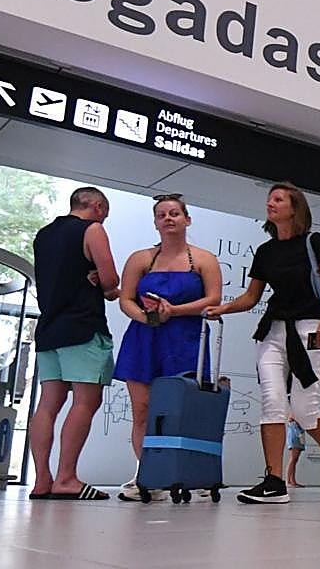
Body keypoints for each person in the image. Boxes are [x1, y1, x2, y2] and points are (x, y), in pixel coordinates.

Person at [207, 182, 320, 505]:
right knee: (272, 402)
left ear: (294, 208)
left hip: (312, 329)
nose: (270, 203)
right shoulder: (266, 251)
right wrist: (223, 308)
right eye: (269, 198)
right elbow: (252, 296)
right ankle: (274, 480)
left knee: (304, 408)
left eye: (278, 199)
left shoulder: (314, 241)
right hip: (273, 330)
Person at [112, 194, 223, 501]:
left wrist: (174, 311)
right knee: (143, 410)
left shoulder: (203, 260)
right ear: (155, 223)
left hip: (186, 338)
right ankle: (147, 475)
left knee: (185, 411)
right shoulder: (140, 259)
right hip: (145, 338)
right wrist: (146, 317)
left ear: (187, 219)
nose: (169, 218)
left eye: (175, 213)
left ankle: (191, 473)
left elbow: (213, 299)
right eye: (162, 215)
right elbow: (126, 298)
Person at [28, 186, 120, 501]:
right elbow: (110, 282)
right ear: (96, 206)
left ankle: (42, 479)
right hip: (83, 326)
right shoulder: (92, 230)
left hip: (49, 328)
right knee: (85, 401)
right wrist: (105, 281)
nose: (104, 220)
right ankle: (67, 478)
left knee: (48, 404)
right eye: (105, 214)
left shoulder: (44, 234)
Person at [285, 416, 306, 488]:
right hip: (295, 437)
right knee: (293, 459)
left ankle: (293, 481)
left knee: (295, 460)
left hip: (299, 437)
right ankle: (288, 481)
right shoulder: (293, 420)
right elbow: (294, 424)